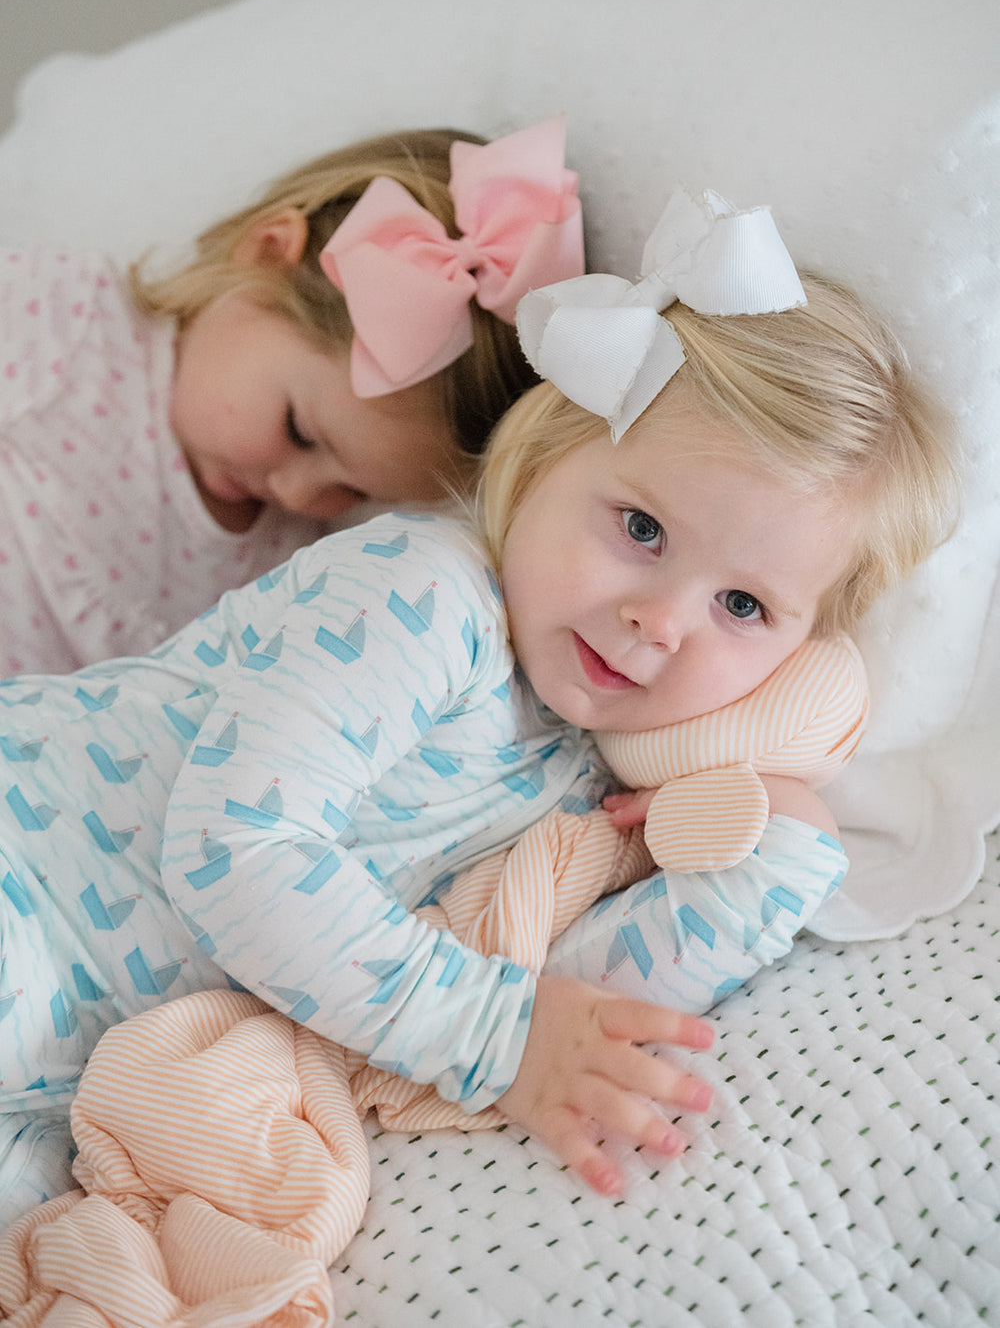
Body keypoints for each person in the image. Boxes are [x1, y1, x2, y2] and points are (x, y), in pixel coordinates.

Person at [0, 186, 957, 1226]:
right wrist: (495, 1037)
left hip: (53, 1077)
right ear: (547, 456)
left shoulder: (584, 784)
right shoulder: (422, 593)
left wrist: (780, 852)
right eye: (640, 527)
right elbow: (237, 846)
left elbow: (577, 1018)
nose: (658, 621)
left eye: (741, 605)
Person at [0, 116, 581, 676]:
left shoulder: (286, 568)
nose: (299, 495)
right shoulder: (69, 317)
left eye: (353, 492)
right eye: (299, 431)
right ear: (265, 253)